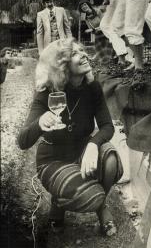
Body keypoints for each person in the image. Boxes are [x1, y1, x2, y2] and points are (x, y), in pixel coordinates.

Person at [17, 38, 123, 236]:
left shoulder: (93, 87)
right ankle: (60, 202)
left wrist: (93, 144)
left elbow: (107, 126)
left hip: (83, 151)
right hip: (53, 159)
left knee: (110, 161)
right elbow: (23, 141)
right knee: (91, 196)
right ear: (63, 65)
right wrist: (40, 123)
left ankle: (101, 208)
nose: (84, 54)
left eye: (83, 50)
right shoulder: (47, 93)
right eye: (75, 53)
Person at [77, 0, 114, 65]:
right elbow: (89, 28)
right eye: (82, 6)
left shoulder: (97, 11)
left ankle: (112, 57)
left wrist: (93, 30)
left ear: (88, 5)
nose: (84, 7)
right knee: (98, 47)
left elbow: (105, 24)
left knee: (106, 44)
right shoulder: (85, 16)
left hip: (106, 31)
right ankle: (105, 59)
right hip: (97, 33)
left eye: (85, 4)